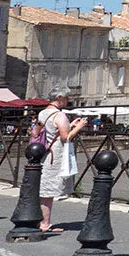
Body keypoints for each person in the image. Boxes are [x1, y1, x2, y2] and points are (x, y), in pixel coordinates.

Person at [37, 87, 86, 233]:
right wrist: (79, 127)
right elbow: (66, 138)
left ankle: (42, 221)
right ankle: (45, 223)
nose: (67, 101)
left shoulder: (43, 113)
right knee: (48, 191)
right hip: (54, 155)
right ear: (59, 98)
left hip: (44, 153)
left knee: (44, 189)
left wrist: (70, 125)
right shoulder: (60, 116)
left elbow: (45, 131)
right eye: (66, 98)